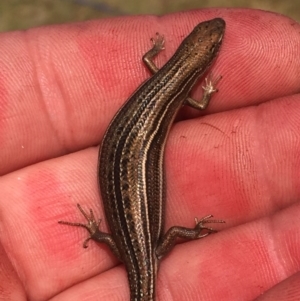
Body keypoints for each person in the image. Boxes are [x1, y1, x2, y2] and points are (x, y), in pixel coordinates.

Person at [0, 9, 300, 301]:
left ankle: (175, 232)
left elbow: (149, 62)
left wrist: (156, 50)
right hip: (129, 171)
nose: (217, 36)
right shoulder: (182, 90)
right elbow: (198, 106)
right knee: (138, 243)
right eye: (214, 46)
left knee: (159, 239)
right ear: (202, 63)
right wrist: (206, 92)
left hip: (125, 144)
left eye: (214, 43)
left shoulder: (170, 76)